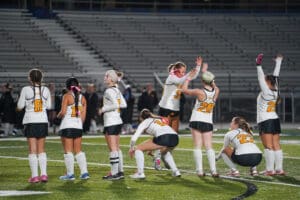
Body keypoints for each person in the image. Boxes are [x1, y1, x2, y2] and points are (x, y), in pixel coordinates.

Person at [182, 59, 219, 177]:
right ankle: (213, 170)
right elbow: (213, 84)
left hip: (197, 119)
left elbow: (184, 90)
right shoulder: (216, 91)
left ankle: (200, 171)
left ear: (203, 81)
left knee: (198, 145)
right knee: (209, 146)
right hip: (208, 121)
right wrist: (205, 72)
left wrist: (188, 78)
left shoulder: (199, 91)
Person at [17, 68, 51, 183]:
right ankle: (44, 174)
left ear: (30, 78)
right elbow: (50, 106)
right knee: (41, 150)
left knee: (32, 150)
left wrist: (21, 106)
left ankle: (35, 176)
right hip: (42, 120)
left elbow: (20, 106)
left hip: (31, 120)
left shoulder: (26, 89)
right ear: (41, 78)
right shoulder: (46, 89)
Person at [129, 109, 181, 179]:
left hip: (164, 137)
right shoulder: (157, 120)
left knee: (138, 149)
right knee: (165, 152)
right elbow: (157, 137)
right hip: (175, 137)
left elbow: (134, 138)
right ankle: (176, 171)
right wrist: (151, 149)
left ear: (141, 117)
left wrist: (131, 148)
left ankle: (140, 173)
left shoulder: (144, 122)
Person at [255, 53, 285, 176]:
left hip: (265, 120)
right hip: (274, 119)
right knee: (276, 145)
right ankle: (279, 169)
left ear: (267, 82)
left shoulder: (266, 91)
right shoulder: (276, 89)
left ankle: (269, 170)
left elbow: (260, 77)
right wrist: (278, 62)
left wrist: (258, 65)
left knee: (268, 146)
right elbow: (276, 76)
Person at [57, 77, 89, 180]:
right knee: (78, 151)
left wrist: (56, 117)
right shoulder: (82, 98)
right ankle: (84, 173)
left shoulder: (67, 96)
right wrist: (79, 124)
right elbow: (83, 116)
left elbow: (63, 112)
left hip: (67, 126)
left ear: (67, 87)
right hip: (78, 126)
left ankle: (70, 174)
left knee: (68, 151)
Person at [99, 70, 127, 180]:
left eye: (107, 76)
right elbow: (123, 104)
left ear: (111, 79)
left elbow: (116, 105)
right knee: (116, 148)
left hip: (111, 121)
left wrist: (103, 109)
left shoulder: (109, 91)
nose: (105, 77)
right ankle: (120, 171)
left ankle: (114, 173)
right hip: (117, 121)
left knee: (113, 148)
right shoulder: (117, 90)